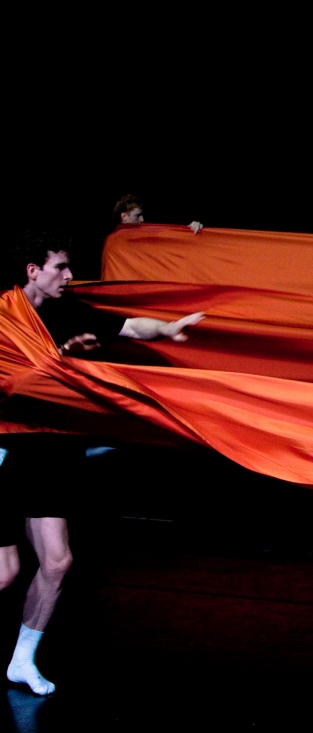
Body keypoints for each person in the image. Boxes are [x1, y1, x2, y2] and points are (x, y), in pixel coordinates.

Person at [0, 231, 204, 695]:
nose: (70, 277)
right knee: (5, 572)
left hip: (51, 449)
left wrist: (168, 328)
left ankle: (21, 660)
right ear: (33, 270)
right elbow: (12, 382)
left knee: (57, 562)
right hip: (8, 448)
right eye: (61, 267)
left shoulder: (66, 311)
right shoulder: (4, 317)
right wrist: (62, 361)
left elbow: (131, 326)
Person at [113, 194, 203, 234]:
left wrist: (188, 230)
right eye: (137, 216)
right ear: (124, 217)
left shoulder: (147, 236)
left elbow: (167, 236)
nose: (142, 220)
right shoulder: (113, 243)